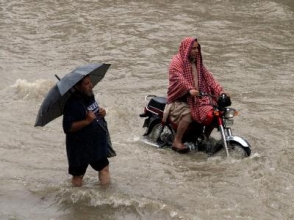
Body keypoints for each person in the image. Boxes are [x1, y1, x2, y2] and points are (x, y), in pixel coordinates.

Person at [163, 37, 227, 153]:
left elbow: (209, 79)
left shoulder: (197, 63)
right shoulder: (176, 62)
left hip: (197, 98)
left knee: (214, 112)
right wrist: (189, 89)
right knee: (189, 114)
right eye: (193, 48)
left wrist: (220, 91)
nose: (196, 51)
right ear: (186, 49)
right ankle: (177, 141)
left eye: (197, 48)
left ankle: (203, 138)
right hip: (180, 99)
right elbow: (179, 78)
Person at [63, 75, 111, 187]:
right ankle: (75, 201)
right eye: (86, 84)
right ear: (78, 86)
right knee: (78, 176)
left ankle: (105, 197)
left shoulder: (89, 95)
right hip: (79, 147)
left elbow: (94, 112)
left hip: (95, 142)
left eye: (90, 82)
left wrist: (101, 112)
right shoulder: (72, 104)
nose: (91, 85)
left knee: (104, 168)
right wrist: (86, 121)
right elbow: (68, 127)